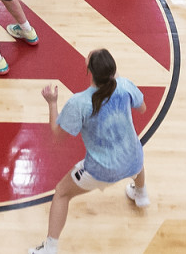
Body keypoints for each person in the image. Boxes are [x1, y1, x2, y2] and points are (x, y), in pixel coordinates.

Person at [29, 50, 150, 254]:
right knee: (135, 153)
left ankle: (49, 248)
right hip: (132, 159)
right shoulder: (125, 85)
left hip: (100, 171)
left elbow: (57, 134)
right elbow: (143, 109)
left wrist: (52, 103)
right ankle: (141, 194)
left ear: (90, 71)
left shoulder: (80, 102)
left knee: (61, 193)